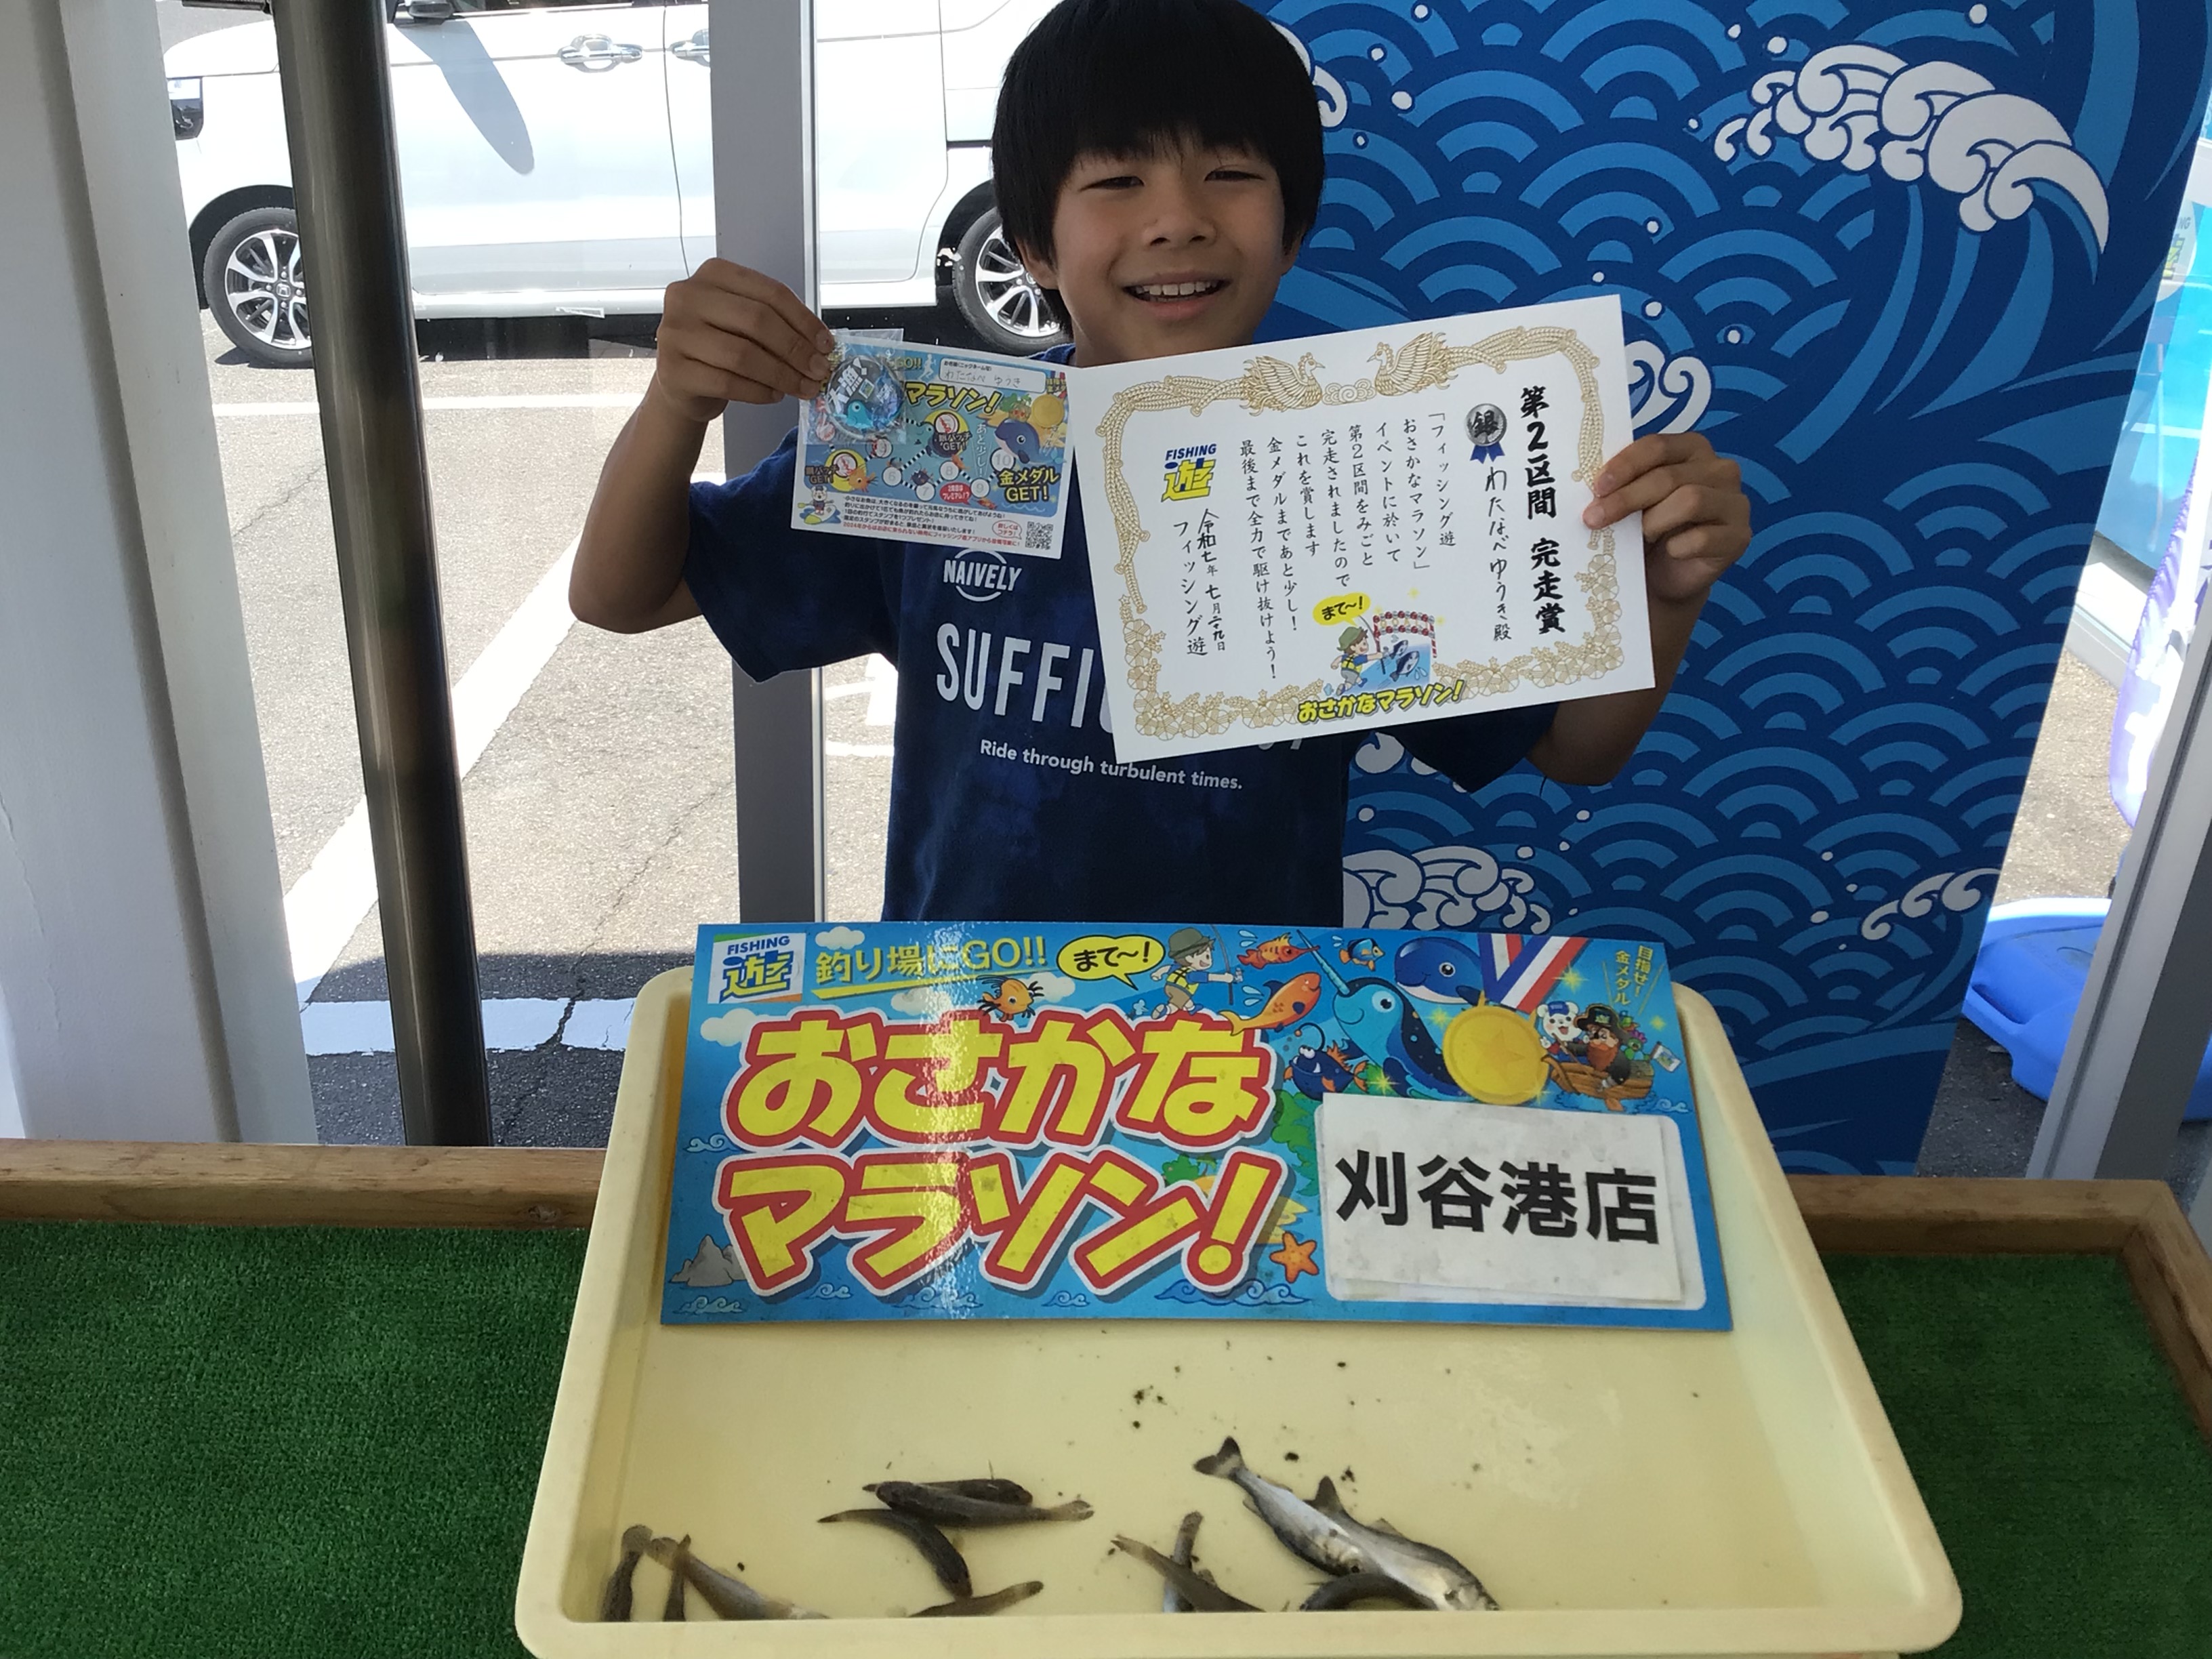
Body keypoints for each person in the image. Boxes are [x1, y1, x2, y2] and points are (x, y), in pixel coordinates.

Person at [569, 0, 1752, 925]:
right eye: (1117, 180)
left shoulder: (1363, 467)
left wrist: (1661, 591)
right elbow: (621, 594)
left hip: (1248, 1052)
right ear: (1032, 243)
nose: (1179, 217)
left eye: (1230, 174)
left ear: (1292, 227)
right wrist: (678, 400)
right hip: (966, 1041)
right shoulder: (952, 443)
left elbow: (1576, 748)